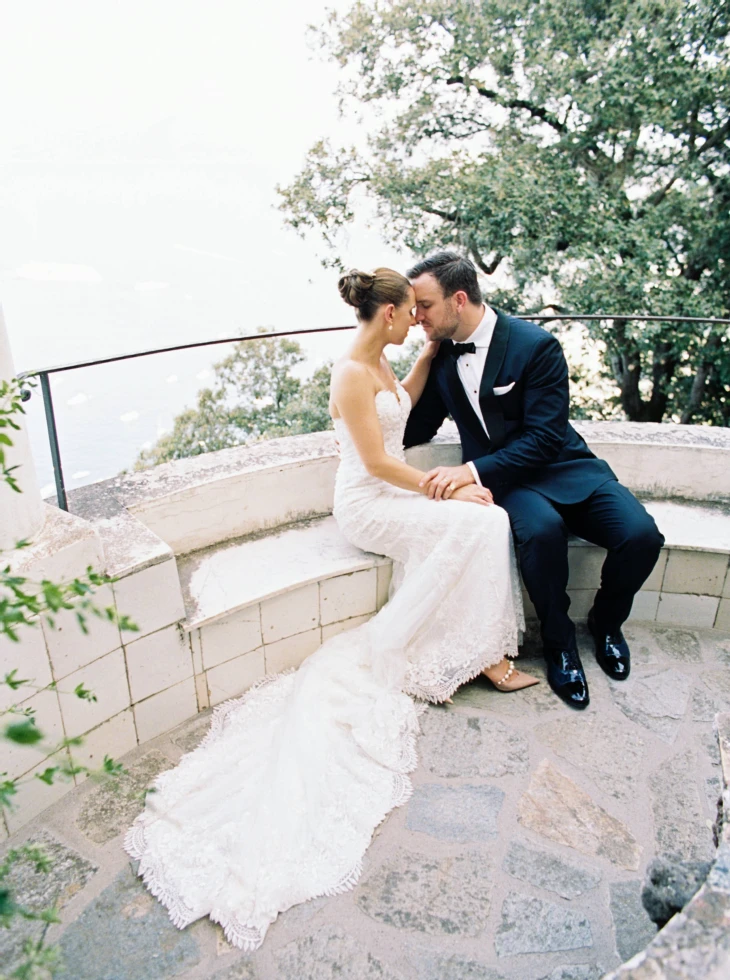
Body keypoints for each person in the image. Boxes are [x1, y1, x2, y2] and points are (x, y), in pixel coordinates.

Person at [125, 267, 530, 951]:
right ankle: (449, 652)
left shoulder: (380, 363)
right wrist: (446, 490)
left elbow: (399, 404)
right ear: (391, 313)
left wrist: (430, 359)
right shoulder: (349, 372)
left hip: (394, 493)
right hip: (370, 505)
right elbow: (375, 463)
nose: (418, 325)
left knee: (488, 525)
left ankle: (475, 648)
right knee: (480, 522)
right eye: (413, 317)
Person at [403, 251, 665, 709]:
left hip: (565, 467)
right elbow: (415, 427)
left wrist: (469, 471)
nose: (415, 315)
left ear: (458, 299)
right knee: (542, 534)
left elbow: (545, 438)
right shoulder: (442, 357)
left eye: (423, 305)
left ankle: (606, 623)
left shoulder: (535, 344)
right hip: (510, 484)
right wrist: (364, 428)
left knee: (642, 535)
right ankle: (560, 643)